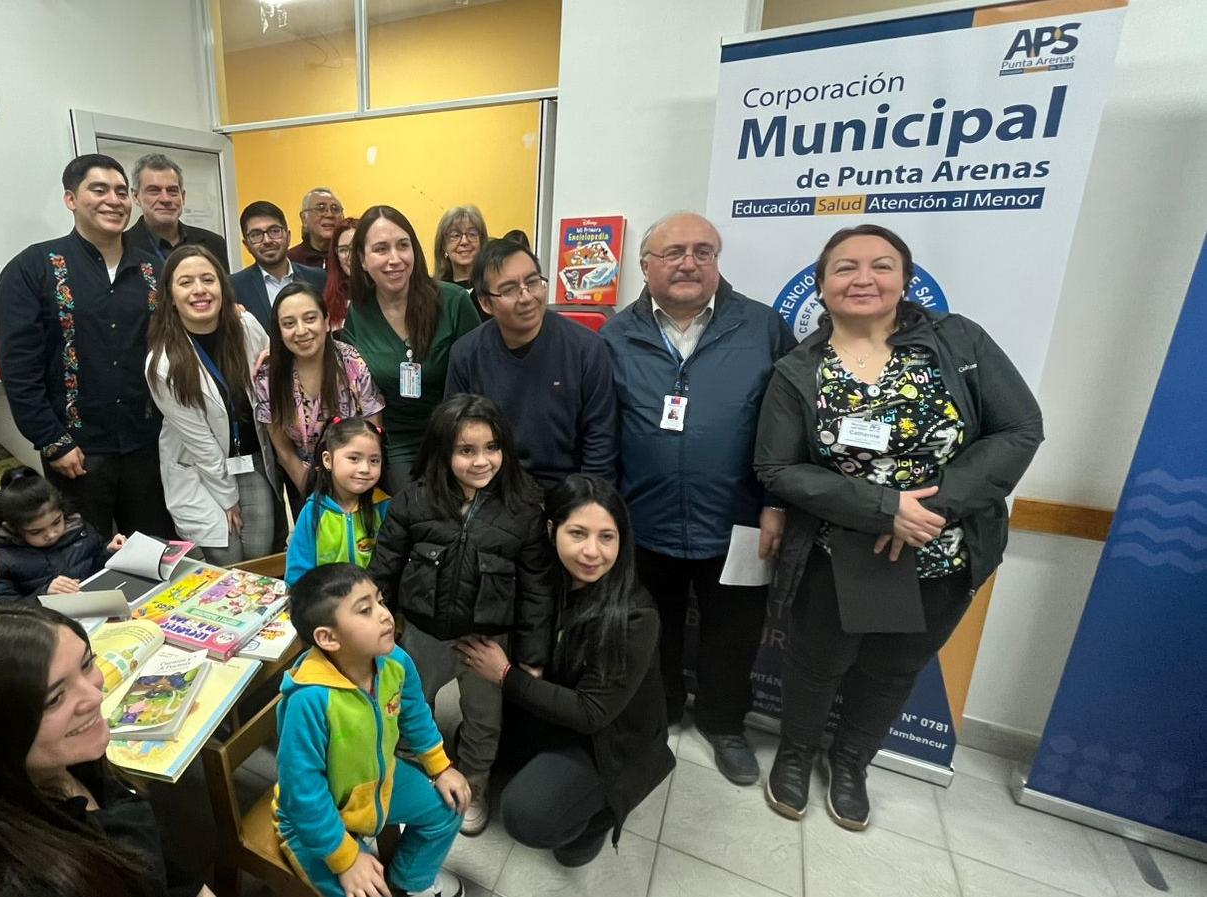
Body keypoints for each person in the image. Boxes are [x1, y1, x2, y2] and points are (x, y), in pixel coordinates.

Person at [754, 223, 1042, 830]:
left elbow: (1018, 429)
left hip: (943, 549)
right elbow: (776, 467)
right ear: (822, 285)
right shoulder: (797, 370)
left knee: (894, 669)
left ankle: (852, 762)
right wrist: (884, 508)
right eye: (845, 267)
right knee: (814, 663)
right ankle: (796, 753)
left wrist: (931, 510)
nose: (863, 279)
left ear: (906, 280)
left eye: (881, 266)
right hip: (837, 551)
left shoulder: (959, 342)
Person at [599, 211, 796, 787]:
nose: (689, 262)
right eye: (673, 252)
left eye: (703, 251)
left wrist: (776, 502)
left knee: (734, 632)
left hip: (739, 522)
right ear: (645, 265)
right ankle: (658, 714)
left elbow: (787, 428)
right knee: (649, 628)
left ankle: (725, 724)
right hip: (642, 519)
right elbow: (602, 430)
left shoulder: (762, 328)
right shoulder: (616, 336)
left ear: (717, 260)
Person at [0, 604, 211, 897]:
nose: (94, 696)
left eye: (87, 664)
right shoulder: (27, 882)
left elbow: (165, 871)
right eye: (54, 699)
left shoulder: (74, 763)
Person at [456, 475, 674, 867]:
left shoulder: (636, 615)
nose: (592, 552)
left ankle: (596, 818)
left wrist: (506, 675)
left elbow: (592, 713)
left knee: (528, 816)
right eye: (578, 533)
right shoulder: (542, 582)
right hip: (547, 715)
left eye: (607, 537)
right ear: (552, 529)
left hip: (605, 740)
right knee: (467, 744)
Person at [367, 394, 553, 836]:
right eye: (466, 450)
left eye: (491, 448)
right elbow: (385, 567)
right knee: (410, 703)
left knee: (484, 718)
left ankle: (474, 781)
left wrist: (531, 654)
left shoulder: (523, 509)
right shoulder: (414, 500)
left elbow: (537, 589)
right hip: (423, 631)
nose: (481, 461)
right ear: (443, 450)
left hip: (487, 640)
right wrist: (376, 624)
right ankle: (413, 767)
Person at [0, 154, 173, 540]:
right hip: (77, 454)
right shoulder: (33, 268)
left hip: (149, 446)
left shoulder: (154, 271)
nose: (114, 200)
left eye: (122, 192)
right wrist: (51, 441)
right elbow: (18, 367)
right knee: (82, 559)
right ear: (71, 199)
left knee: (155, 548)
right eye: (99, 189)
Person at [276, 564, 469, 897]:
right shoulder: (309, 700)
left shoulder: (395, 661)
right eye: (365, 610)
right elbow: (303, 792)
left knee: (449, 807)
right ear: (328, 638)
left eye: (380, 601)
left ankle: (411, 882)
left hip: (378, 785)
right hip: (314, 817)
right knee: (362, 890)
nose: (385, 615)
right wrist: (346, 859)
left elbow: (415, 716)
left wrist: (440, 767)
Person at [147, 245, 282, 566]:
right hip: (198, 470)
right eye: (186, 282)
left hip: (250, 461)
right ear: (170, 294)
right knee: (225, 557)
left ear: (222, 285)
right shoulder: (164, 362)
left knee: (258, 556)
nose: (199, 290)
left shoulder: (246, 327)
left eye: (208, 279)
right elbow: (200, 441)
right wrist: (227, 499)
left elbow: (272, 368)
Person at [446, 238, 617, 489]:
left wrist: (584, 506)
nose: (526, 297)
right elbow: (457, 439)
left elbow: (601, 445)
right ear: (485, 303)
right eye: (509, 289)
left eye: (533, 282)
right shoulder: (466, 354)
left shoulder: (588, 349)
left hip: (568, 491)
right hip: (494, 489)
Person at [340, 206, 481, 494]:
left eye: (403, 246)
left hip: (457, 436)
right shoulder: (359, 312)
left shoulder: (453, 302)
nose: (395, 259)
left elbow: (483, 376)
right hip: (396, 443)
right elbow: (346, 374)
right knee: (415, 510)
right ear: (362, 260)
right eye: (381, 249)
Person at [254, 282, 385, 508]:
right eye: (289, 324)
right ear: (279, 331)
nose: (301, 330)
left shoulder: (351, 363)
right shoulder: (268, 375)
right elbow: (283, 450)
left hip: (358, 477)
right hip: (303, 482)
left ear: (326, 322)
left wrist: (351, 490)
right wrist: (314, 494)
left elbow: (374, 433)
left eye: (310, 318)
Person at [0, 467, 126, 603]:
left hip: (94, 603)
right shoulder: (2, 559)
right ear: (13, 528)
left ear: (62, 511)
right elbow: (3, 608)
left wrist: (109, 551)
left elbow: (94, 564)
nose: (51, 534)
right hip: (45, 620)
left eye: (56, 522)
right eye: (36, 531)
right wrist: (43, 594)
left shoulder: (79, 529)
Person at [285, 417, 389, 587]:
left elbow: (391, 564)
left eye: (374, 460)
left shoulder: (384, 506)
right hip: (326, 604)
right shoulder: (313, 511)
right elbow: (298, 571)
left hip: (373, 599)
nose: (365, 468)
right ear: (328, 460)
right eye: (354, 458)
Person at [228, 200, 326, 330]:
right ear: (246, 245)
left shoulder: (318, 278)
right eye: (256, 235)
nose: (267, 240)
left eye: (274, 231)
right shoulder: (233, 287)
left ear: (288, 236)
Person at [125, 153, 231, 271]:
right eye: (154, 191)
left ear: (183, 196)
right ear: (135, 196)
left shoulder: (214, 244)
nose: (165, 199)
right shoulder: (122, 248)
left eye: (172, 191)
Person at [433, 205, 488, 293]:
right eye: (455, 235)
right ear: (443, 245)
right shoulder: (434, 292)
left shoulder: (493, 288)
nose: (464, 241)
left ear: (481, 241)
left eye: (472, 234)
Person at [289, 187, 343, 269]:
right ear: (304, 218)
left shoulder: (349, 258)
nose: (330, 215)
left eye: (335, 209)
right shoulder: (290, 261)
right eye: (321, 208)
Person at [321, 216, 359, 329]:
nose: (350, 257)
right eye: (343, 250)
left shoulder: (385, 293)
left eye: (355, 249)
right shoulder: (328, 296)